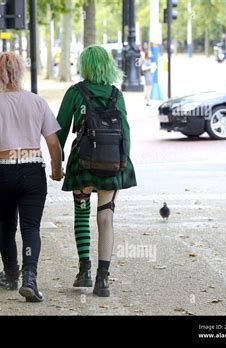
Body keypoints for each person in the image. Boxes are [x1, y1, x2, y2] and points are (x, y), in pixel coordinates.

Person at [0, 52, 63, 303]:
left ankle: (10, 273)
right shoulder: (38, 102)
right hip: (32, 170)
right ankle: (29, 277)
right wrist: (57, 170)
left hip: (4, 170)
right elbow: (53, 143)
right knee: (30, 227)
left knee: (6, 225)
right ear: (21, 71)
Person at [56, 45, 137, 297]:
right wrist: (123, 163)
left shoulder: (75, 92)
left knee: (81, 213)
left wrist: (56, 163)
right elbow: (126, 132)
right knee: (106, 218)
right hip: (112, 164)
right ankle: (103, 280)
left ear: (86, 66)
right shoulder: (117, 94)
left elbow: (59, 130)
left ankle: (85, 271)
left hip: (83, 163)